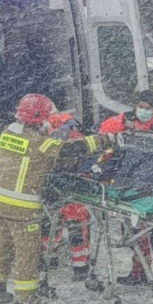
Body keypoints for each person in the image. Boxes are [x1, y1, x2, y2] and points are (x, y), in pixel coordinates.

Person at [0, 94, 109, 304]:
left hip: (0, 202)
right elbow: (70, 149)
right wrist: (102, 140)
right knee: (27, 252)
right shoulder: (39, 142)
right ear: (39, 117)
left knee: (0, 247)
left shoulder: (7, 132)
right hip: (22, 208)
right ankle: (25, 298)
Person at [99, 90, 153, 304]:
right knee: (135, 229)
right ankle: (139, 272)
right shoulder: (125, 120)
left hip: (150, 188)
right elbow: (104, 131)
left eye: (148, 108)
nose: (143, 111)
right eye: (140, 106)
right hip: (128, 186)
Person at [42, 110, 92, 282]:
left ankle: (48, 260)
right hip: (75, 187)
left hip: (59, 186)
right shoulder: (72, 128)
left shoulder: (54, 129)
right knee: (77, 228)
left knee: (51, 226)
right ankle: (80, 268)